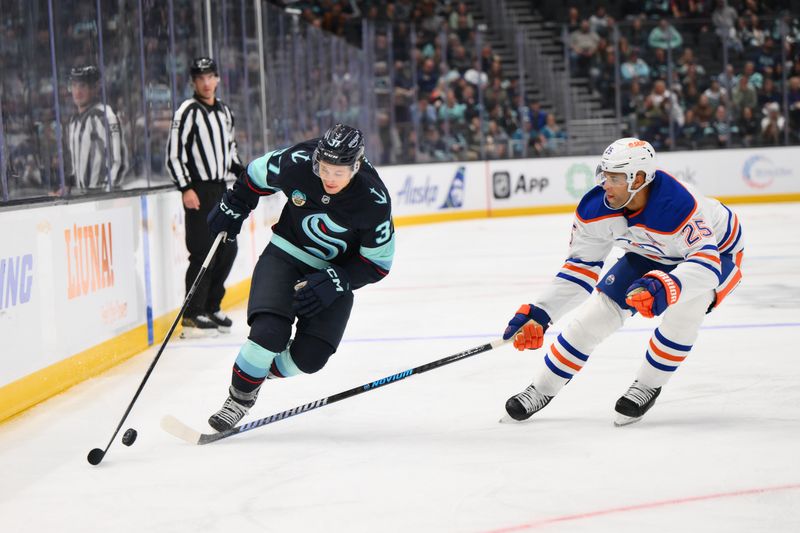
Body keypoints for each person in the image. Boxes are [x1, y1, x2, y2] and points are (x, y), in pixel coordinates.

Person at [501, 138, 744, 426]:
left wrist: (665, 286)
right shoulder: (595, 209)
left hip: (716, 253)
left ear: (639, 179)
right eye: (604, 174)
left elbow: (707, 265)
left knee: (684, 313)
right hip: (648, 251)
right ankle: (540, 389)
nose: (605, 184)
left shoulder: (677, 204)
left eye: (614, 178)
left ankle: (647, 385)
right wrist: (542, 312)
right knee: (595, 317)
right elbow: (579, 269)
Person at [204, 123, 395, 431]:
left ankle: (257, 370)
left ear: (355, 166)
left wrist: (338, 281)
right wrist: (236, 201)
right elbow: (255, 174)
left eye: (339, 172)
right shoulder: (299, 162)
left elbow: (378, 264)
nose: (329, 178)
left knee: (310, 359)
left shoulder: (373, 200)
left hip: (332, 274)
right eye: (325, 168)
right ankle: (239, 399)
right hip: (285, 255)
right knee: (268, 333)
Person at [166, 57, 244, 338]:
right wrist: (186, 188)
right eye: (200, 78)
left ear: (218, 79)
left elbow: (230, 149)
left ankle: (211, 306)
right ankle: (192, 312)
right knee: (202, 251)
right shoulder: (187, 111)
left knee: (228, 248)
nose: (206, 83)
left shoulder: (224, 111)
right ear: (193, 82)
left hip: (221, 188)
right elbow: (174, 155)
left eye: (210, 76)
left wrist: (241, 170)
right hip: (198, 189)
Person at [66, 65, 128, 192]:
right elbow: (76, 168)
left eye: (82, 86)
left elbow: (119, 163)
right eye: (74, 85)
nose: (77, 92)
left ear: (95, 88)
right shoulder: (73, 122)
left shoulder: (105, 116)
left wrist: (107, 195)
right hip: (83, 199)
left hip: (102, 199)